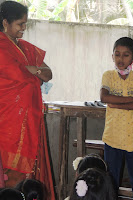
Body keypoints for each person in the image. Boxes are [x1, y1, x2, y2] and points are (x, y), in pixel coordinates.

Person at [0, 1, 55, 199]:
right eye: (20, 24)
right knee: (9, 177)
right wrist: (31, 73)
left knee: (27, 178)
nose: (24, 28)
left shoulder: (27, 49)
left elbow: (48, 74)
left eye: (25, 24)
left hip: (30, 120)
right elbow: (16, 77)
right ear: (5, 23)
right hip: (7, 124)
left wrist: (35, 70)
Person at [100, 37, 133, 200]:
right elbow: (104, 97)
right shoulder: (108, 76)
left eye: (126, 55)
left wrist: (115, 102)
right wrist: (131, 99)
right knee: (111, 182)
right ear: (112, 56)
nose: (121, 59)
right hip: (113, 137)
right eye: (117, 54)